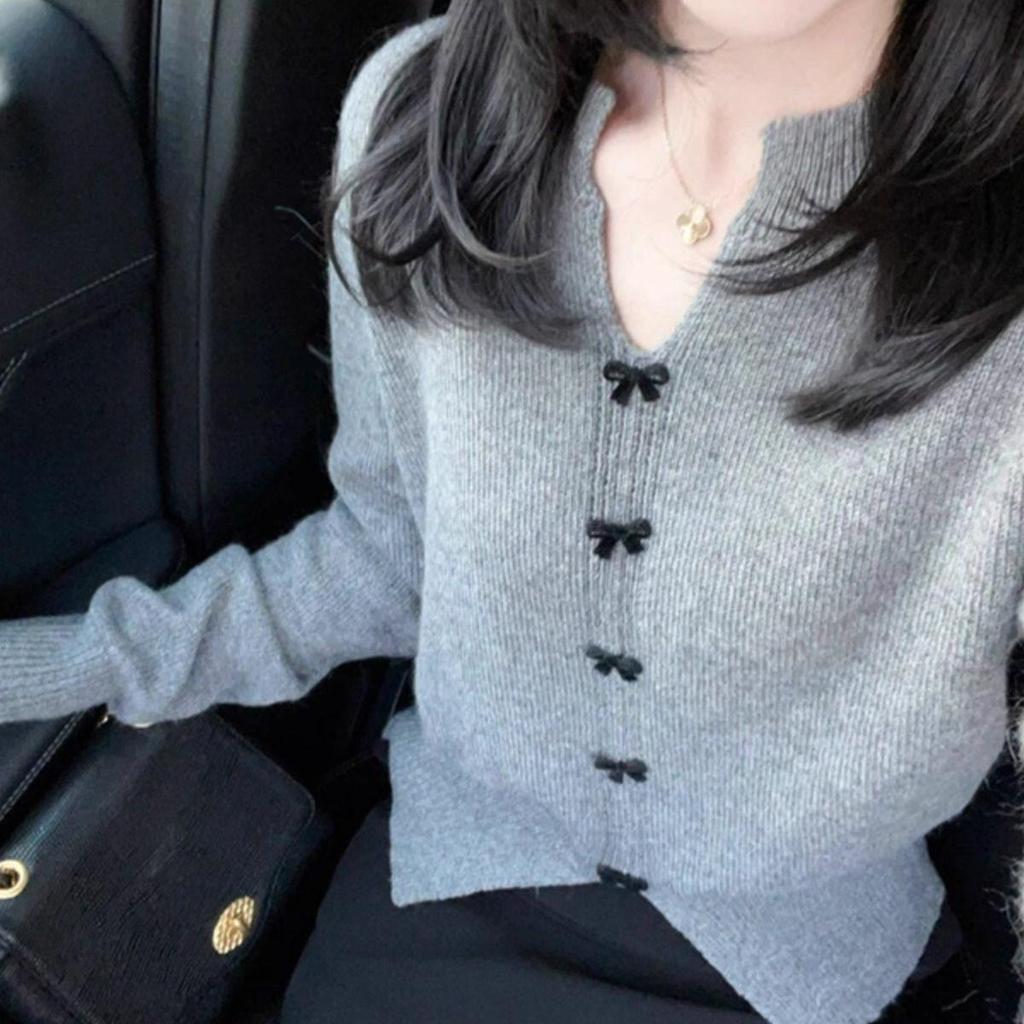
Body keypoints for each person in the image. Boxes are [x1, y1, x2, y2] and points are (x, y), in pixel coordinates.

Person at [2, 1, 1022, 1021]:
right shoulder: (428, 119)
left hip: (811, 963)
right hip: (446, 886)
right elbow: (384, 558)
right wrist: (58, 666)